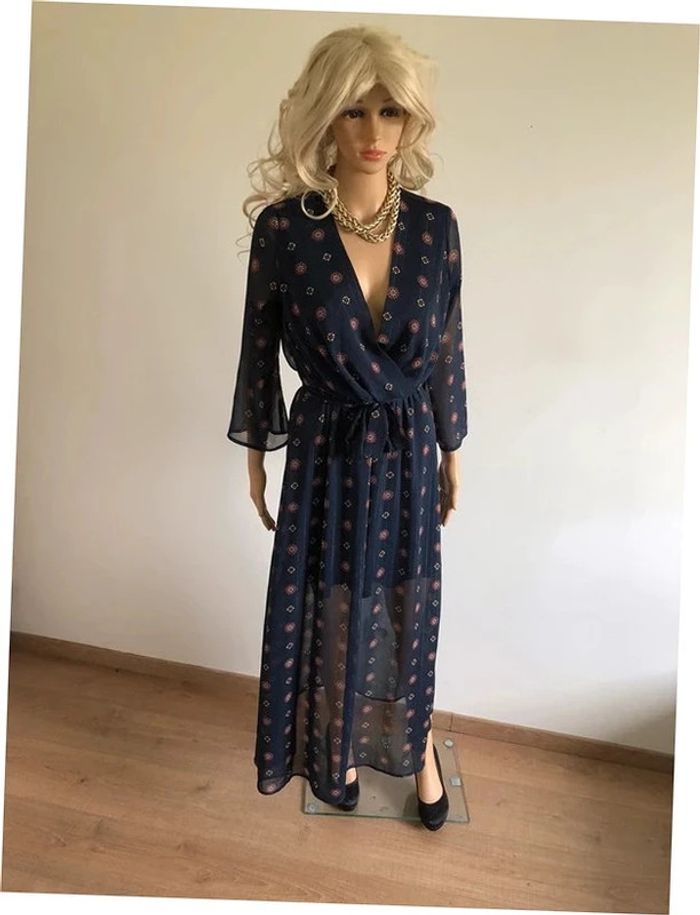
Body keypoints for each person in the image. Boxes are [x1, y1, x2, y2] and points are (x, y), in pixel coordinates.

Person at [226, 25, 467, 831]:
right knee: (330, 597)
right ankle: (340, 750)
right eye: (354, 111)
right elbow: (259, 344)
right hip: (325, 447)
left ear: (412, 119)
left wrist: (453, 447)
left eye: (390, 111)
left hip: (408, 447)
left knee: (404, 602)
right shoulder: (285, 229)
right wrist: (257, 453)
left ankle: (417, 745)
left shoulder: (436, 227)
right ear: (324, 116)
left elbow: (446, 346)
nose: (373, 132)